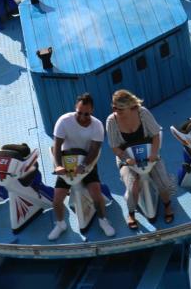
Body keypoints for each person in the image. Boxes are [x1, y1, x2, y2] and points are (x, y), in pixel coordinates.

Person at [105, 89, 175, 229]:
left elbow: (155, 135)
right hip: (126, 156)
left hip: (149, 152)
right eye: (113, 107)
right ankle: (131, 213)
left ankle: (167, 205)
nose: (115, 110)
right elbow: (114, 147)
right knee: (132, 187)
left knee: (163, 182)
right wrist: (126, 159)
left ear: (131, 107)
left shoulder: (143, 113)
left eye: (119, 108)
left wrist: (154, 153)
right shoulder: (111, 121)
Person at [49, 93, 115, 240]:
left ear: (92, 111)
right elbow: (57, 146)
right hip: (66, 162)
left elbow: (95, 149)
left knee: (96, 194)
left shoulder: (97, 125)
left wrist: (84, 165)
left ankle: (103, 220)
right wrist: (59, 166)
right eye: (79, 113)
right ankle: (60, 224)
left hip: (86, 160)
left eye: (86, 114)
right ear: (75, 108)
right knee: (57, 199)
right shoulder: (64, 121)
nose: (82, 117)